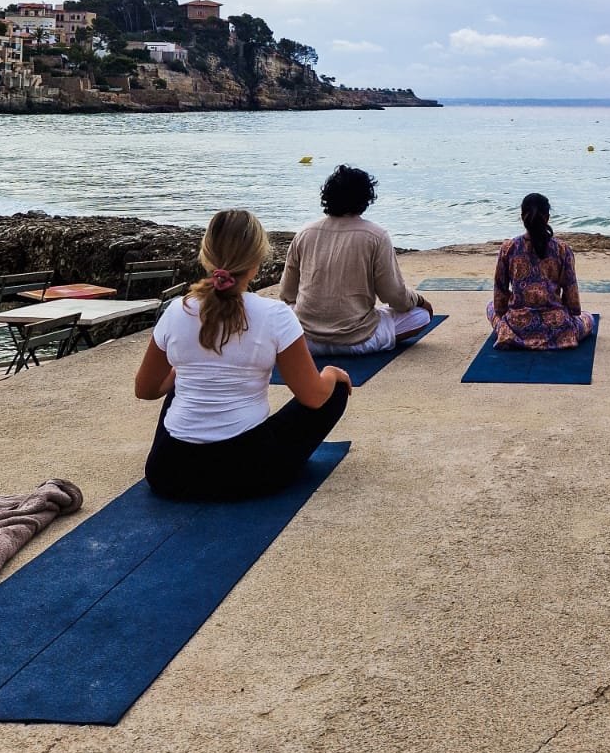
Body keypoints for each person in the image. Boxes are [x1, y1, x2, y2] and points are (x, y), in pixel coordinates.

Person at [135, 208, 351, 501]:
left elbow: (145, 390)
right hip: (249, 473)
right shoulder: (275, 315)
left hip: (169, 472)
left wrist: (187, 371)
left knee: (179, 385)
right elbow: (312, 397)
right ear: (257, 261)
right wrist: (331, 375)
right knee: (333, 391)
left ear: (206, 256)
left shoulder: (177, 310)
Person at [279, 164, 432, 354]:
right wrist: (420, 300)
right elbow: (395, 296)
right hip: (358, 339)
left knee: (292, 309)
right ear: (366, 198)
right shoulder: (376, 235)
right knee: (420, 315)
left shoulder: (304, 233)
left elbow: (287, 294)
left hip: (307, 340)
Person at [489, 193, 596, 349]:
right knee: (589, 319)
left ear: (522, 217)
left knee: (490, 307)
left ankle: (510, 336)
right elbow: (572, 300)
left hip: (517, 327)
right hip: (557, 328)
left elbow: (499, 297)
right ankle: (560, 338)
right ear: (547, 217)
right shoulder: (562, 249)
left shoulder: (508, 248)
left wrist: (508, 316)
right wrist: (569, 314)